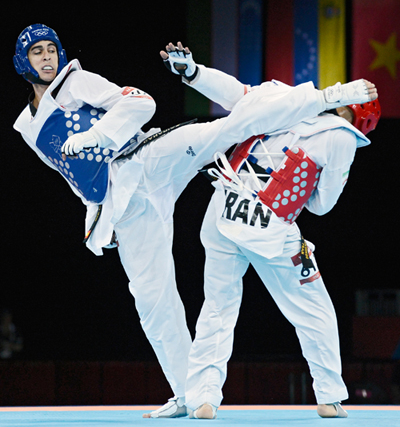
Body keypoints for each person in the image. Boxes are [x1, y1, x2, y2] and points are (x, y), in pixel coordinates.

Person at [12, 24, 377, 419]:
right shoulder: (27, 127)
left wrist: (98, 135)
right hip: (128, 203)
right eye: (37, 52)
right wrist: (99, 212)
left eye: (51, 49)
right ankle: (188, 393)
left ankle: (332, 92)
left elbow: (141, 104)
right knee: (152, 299)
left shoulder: (77, 82)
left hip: (149, 157)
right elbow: (71, 173)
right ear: (23, 61)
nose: (47, 57)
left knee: (229, 127)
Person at [176, 72, 381, 418]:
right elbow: (322, 205)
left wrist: (194, 72)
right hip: (269, 229)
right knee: (314, 308)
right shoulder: (342, 137)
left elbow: (235, 93)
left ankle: (203, 397)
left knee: (217, 308)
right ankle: (329, 396)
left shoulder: (281, 98)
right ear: (360, 121)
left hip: (222, 212)